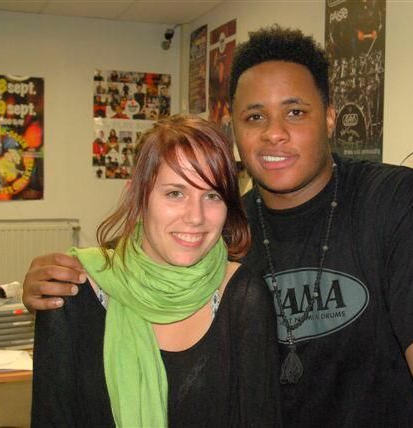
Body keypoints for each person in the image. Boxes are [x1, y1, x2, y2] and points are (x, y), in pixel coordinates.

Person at [24, 26, 413, 427]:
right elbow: (147, 276)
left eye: (295, 112)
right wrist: (62, 282)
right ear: (234, 131)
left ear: (330, 118)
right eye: (254, 116)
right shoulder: (220, 233)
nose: (274, 133)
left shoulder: (399, 203)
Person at [31, 115, 280, 427]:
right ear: (138, 197)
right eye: (175, 193)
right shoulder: (71, 290)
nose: (196, 217)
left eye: (212, 195)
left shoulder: (243, 295)